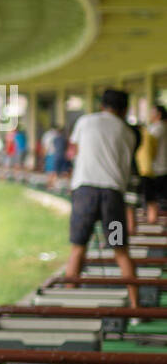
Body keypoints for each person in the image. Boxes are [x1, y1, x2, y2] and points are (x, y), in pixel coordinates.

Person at [66, 89, 138, 307]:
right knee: (119, 249)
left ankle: (69, 306)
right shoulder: (128, 132)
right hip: (112, 197)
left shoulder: (86, 122)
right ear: (125, 109)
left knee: (79, 247)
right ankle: (136, 307)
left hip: (85, 194)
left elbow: (73, 152)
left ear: (102, 105)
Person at [147, 105, 167, 224]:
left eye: (152, 113)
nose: (150, 116)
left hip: (157, 169)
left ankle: (156, 224)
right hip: (163, 169)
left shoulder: (157, 129)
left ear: (158, 115)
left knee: (154, 201)